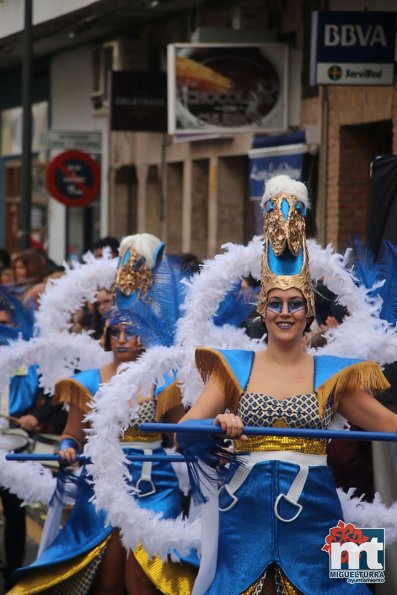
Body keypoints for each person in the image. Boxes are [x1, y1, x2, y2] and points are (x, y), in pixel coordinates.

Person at [177, 175, 397, 594]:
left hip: (320, 515)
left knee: (355, 590)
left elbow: (389, 426)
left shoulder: (336, 372)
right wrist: (217, 426)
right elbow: (184, 435)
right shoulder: (232, 365)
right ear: (262, 308)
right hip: (243, 514)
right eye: (275, 304)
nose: (284, 313)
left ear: (308, 311)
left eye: (295, 304)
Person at [11, 234, 196, 595]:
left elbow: (181, 433)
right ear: (106, 336)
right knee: (107, 577)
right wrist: (66, 448)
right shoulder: (88, 382)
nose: (123, 339)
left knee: (143, 575)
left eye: (132, 332)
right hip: (102, 485)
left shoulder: (164, 381)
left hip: (156, 484)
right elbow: (72, 433)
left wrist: (210, 440)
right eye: (116, 333)